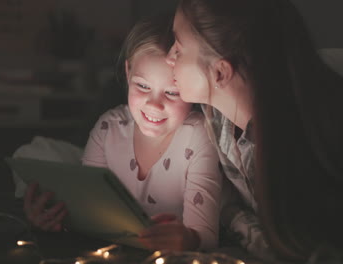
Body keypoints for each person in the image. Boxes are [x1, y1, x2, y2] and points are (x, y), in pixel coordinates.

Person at [165, 0, 343, 261]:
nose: (168, 57)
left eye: (178, 49)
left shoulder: (304, 150)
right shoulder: (217, 119)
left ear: (220, 73)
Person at [23, 14, 222, 251]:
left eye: (172, 93)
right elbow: (87, 211)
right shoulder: (109, 128)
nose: (154, 105)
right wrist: (52, 219)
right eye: (143, 86)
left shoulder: (199, 137)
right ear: (128, 73)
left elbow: (206, 236)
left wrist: (190, 239)